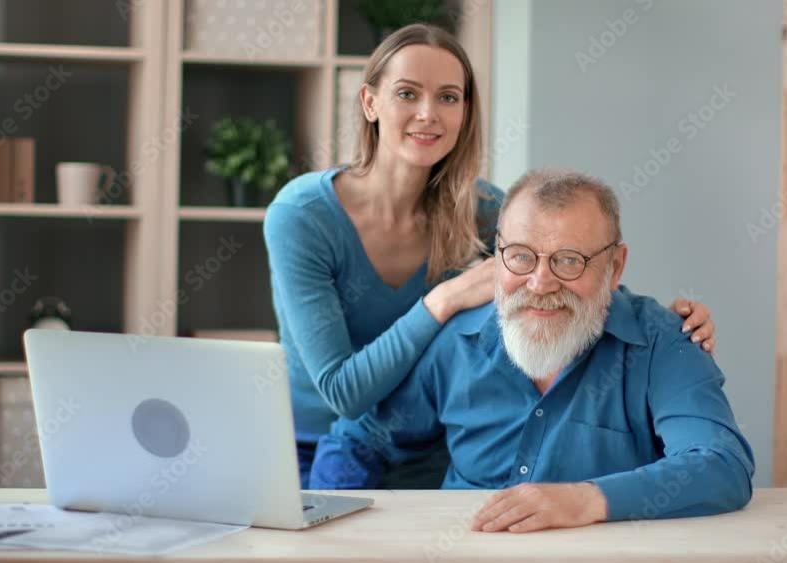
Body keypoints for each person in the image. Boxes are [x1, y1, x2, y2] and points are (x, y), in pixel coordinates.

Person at [263, 24, 718, 489]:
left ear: (465, 112)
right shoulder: (303, 217)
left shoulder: (482, 211)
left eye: (448, 97)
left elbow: (563, 268)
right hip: (318, 449)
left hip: (434, 449)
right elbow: (343, 393)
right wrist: (444, 299)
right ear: (369, 102)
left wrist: (664, 327)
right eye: (407, 93)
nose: (428, 113)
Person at [309, 169, 755, 533]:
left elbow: (720, 464)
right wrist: (324, 531)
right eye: (521, 256)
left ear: (615, 266)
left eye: (569, 260)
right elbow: (359, 442)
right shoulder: (457, 341)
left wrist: (586, 499)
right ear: (497, 253)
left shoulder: (662, 342)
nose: (540, 283)